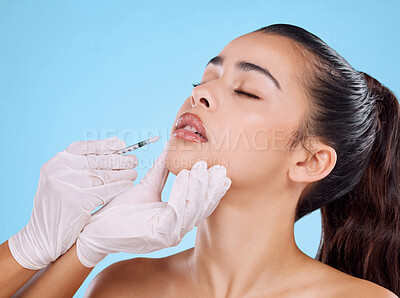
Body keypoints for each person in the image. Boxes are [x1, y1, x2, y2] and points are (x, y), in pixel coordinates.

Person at [1, 23, 399, 297]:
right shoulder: (119, 286)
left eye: (247, 91)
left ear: (310, 161)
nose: (200, 95)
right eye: (203, 80)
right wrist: (79, 250)